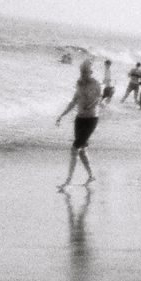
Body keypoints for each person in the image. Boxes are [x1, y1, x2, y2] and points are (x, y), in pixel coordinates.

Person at [56, 59, 102, 190]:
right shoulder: (79, 84)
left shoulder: (96, 84)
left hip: (91, 120)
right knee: (81, 150)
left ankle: (68, 181)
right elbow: (74, 100)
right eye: (82, 72)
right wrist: (62, 115)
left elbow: (98, 98)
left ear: (91, 72)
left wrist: (90, 105)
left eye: (86, 72)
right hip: (79, 119)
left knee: (75, 148)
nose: (83, 74)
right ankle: (91, 175)